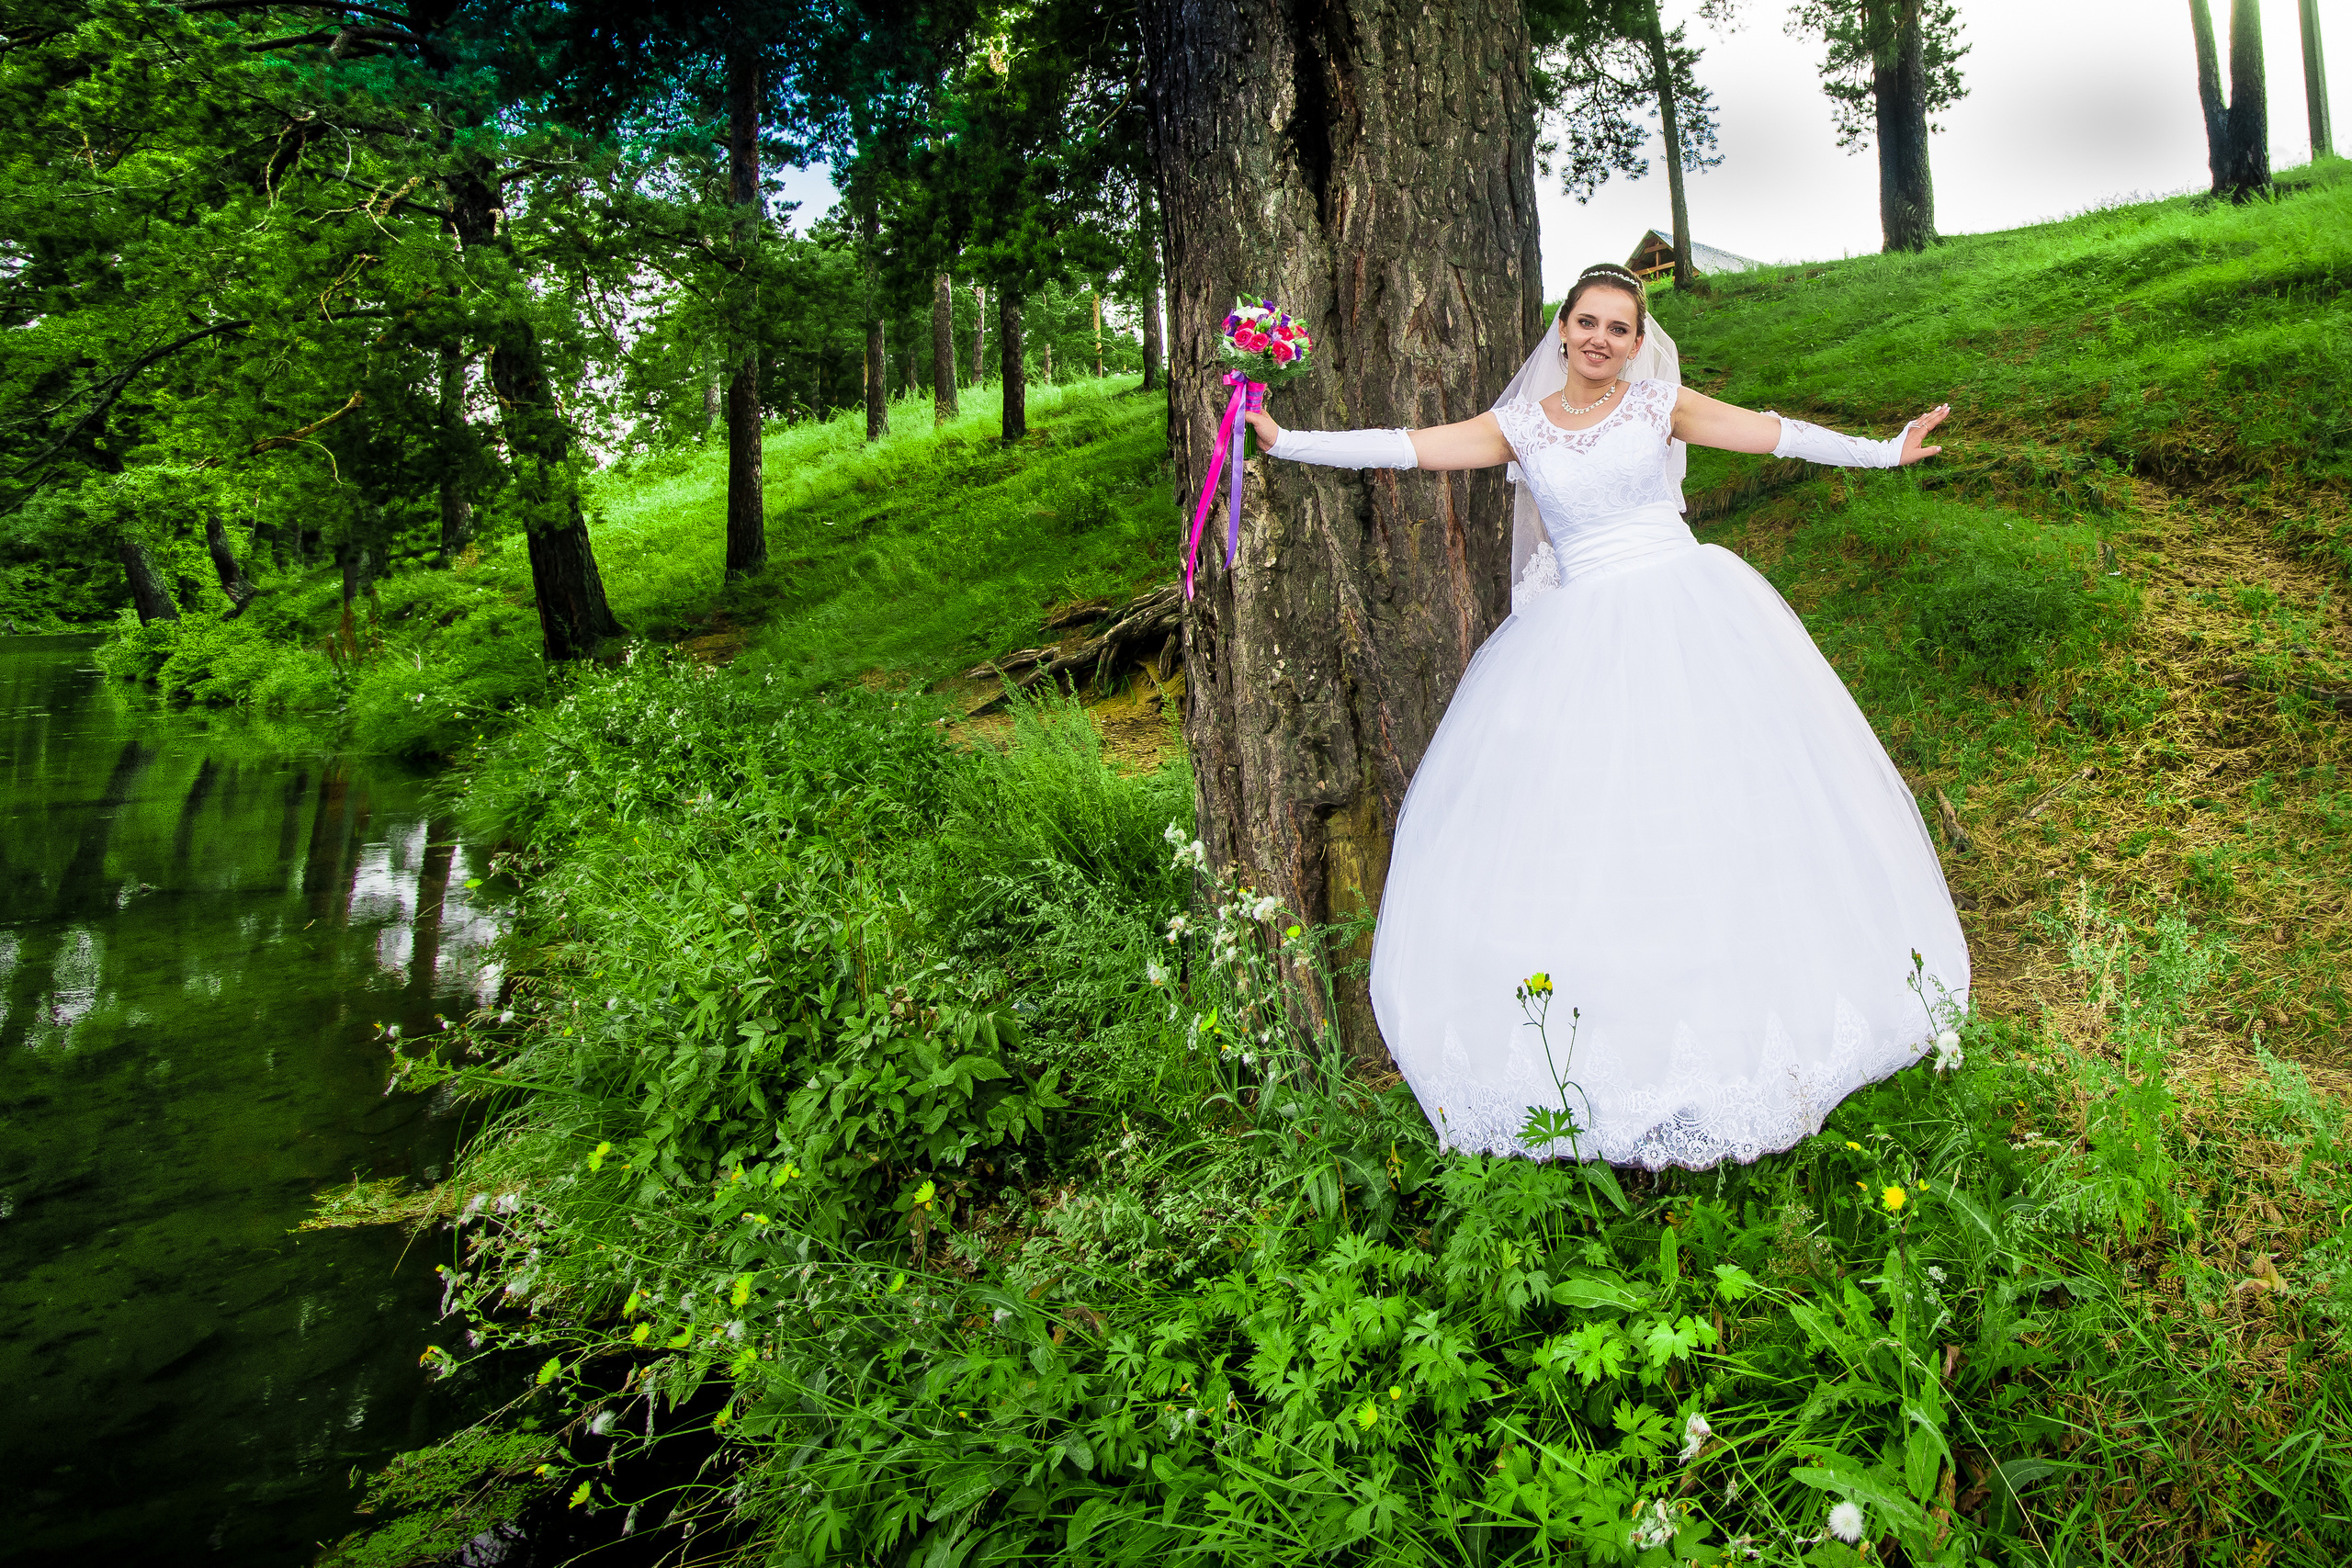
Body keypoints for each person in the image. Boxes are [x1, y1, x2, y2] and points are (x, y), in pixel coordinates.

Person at [1241, 262, 1968, 1170]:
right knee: (1600, 833)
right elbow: (1409, 447)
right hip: (1579, 637)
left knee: (1721, 816)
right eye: (1585, 322)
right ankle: (1624, 1041)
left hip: (1689, 615)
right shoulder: (1518, 427)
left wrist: (1881, 451)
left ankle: (1758, 1025)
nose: (1598, 339)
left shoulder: (1657, 404)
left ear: (1636, 341)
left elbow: (1773, 435)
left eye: (1617, 328)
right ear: (1561, 330)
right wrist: (1283, 439)